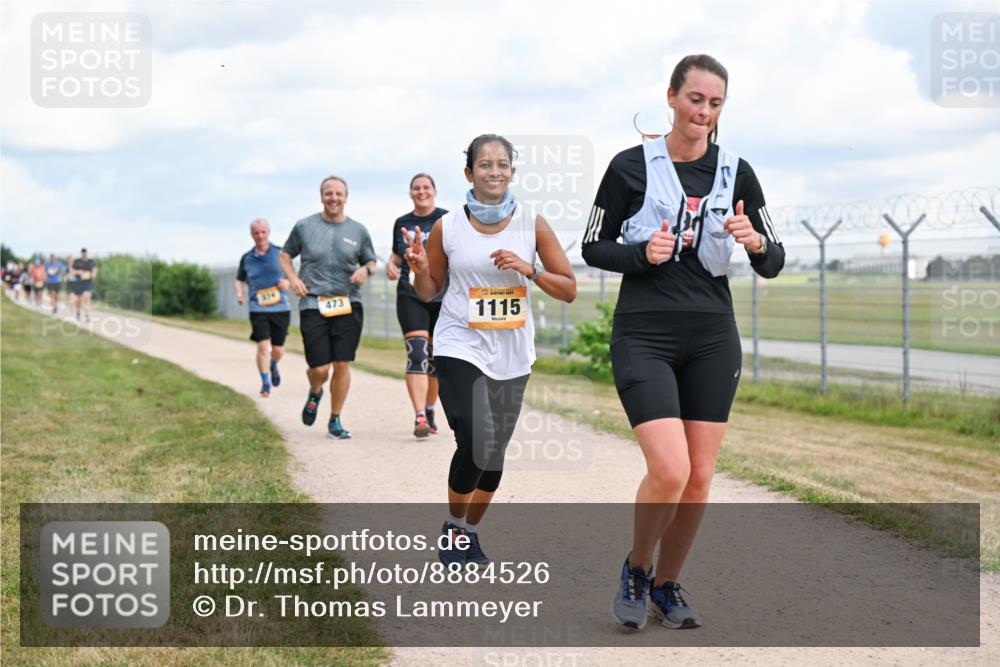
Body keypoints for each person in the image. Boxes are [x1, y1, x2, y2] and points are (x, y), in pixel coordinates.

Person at [581, 55, 785, 631]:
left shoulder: (737, 172)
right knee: (669, 470)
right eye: (695, 99)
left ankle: (667, 586)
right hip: (644, 332)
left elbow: (773, 260)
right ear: (671, 96)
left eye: (716, 103)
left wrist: (755, 245)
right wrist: (641, 255)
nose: (704, 112)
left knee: (698, 477)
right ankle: (637, 567)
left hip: (712, 337)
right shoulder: (628, 168)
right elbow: (594, 247)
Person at [404, 134, 576, 568]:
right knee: (477, 438)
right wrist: (421, 269)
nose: (494, 171)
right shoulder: (448, 227)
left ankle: (466, 531)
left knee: (494, 452)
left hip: (512, 353)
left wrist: (530, 269)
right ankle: (455, 525)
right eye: (485, 164)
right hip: (460, 342)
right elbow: (430, 292)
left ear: (512, 173)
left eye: (502, 164)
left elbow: (569, 289)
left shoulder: (531, 223)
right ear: (469, 173)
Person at [280, 175, 377, 439]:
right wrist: (293, 278)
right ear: (322, 196)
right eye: (329, 193)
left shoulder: (358, 230)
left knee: (342, 364)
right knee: (320, 368)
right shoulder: (304, 226)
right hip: (313, 303)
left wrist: (365, 271)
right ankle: (315, 391)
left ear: (346, 197)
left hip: (348, 303)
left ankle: (335, 419)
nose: (334, 198)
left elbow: (371, 261)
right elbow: (285, 254)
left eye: (338, 193)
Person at [387, 174, 449, 437]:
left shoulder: (448, 219)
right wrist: (391, 265)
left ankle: (429, 406)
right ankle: (419, 416)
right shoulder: (402, 222)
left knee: (435, 360)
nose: (421, 192)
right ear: (411, 193)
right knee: (417, 353)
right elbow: (396, 254)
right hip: (410, 294)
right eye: (416, 188)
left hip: (442, 295)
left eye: (426, 187)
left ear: (434, 191)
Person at [235, 218, 292, 398]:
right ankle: (265, 382)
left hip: (280, 308)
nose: (260, 236)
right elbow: (239, 279)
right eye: (256, 233)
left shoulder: (280, 253)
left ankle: (273, 364)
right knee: (262, 347)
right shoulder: (247, 258)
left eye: (263, 232)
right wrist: (240, 293)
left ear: (268, 232)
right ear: (252, 235)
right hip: (258, 308)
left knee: (278, 349)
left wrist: (288, 281)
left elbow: (293, 275)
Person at [70, 248, 97, 322]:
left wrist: (92, 275)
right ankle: (78, 311)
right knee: (78, 300)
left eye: (85, 253)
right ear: (81, 253)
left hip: (88, 282)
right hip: (78, 282)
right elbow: (71, 271)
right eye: (83, 253)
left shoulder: (91, 261)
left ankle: (87, 315)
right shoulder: (77, 261)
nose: (84, 254)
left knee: (86, 297)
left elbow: (94, 270)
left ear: (87, 253)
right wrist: (78, 272)